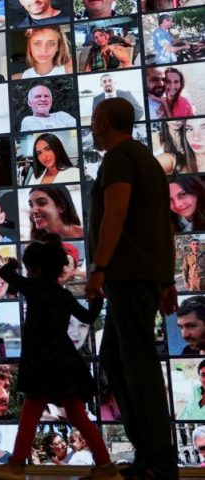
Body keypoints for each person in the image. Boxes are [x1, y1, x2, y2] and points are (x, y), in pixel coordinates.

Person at [85, 98, 178, 479]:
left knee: (138, 365)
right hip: (144, 275)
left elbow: (117, 214)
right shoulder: (146, 160)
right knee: (115, 360)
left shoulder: (120, 158)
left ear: (103, 121)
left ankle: (158, 460)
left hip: (128, 275)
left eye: (93, 120)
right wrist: (167, 277)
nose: (91, 126)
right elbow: (163, 223)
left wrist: (99, 269)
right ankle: (147, 455)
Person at [0, 238, 114, 480]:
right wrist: (97, 296)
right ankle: (106, 467)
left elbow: (6, 273)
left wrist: (11, 264)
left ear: (34, 269)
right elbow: (88, 317)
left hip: (41, 361)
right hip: (66, 360)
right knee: (77, 415)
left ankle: (16, 466)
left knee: (30, 413)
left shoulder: (33, 287)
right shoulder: (63, 294)